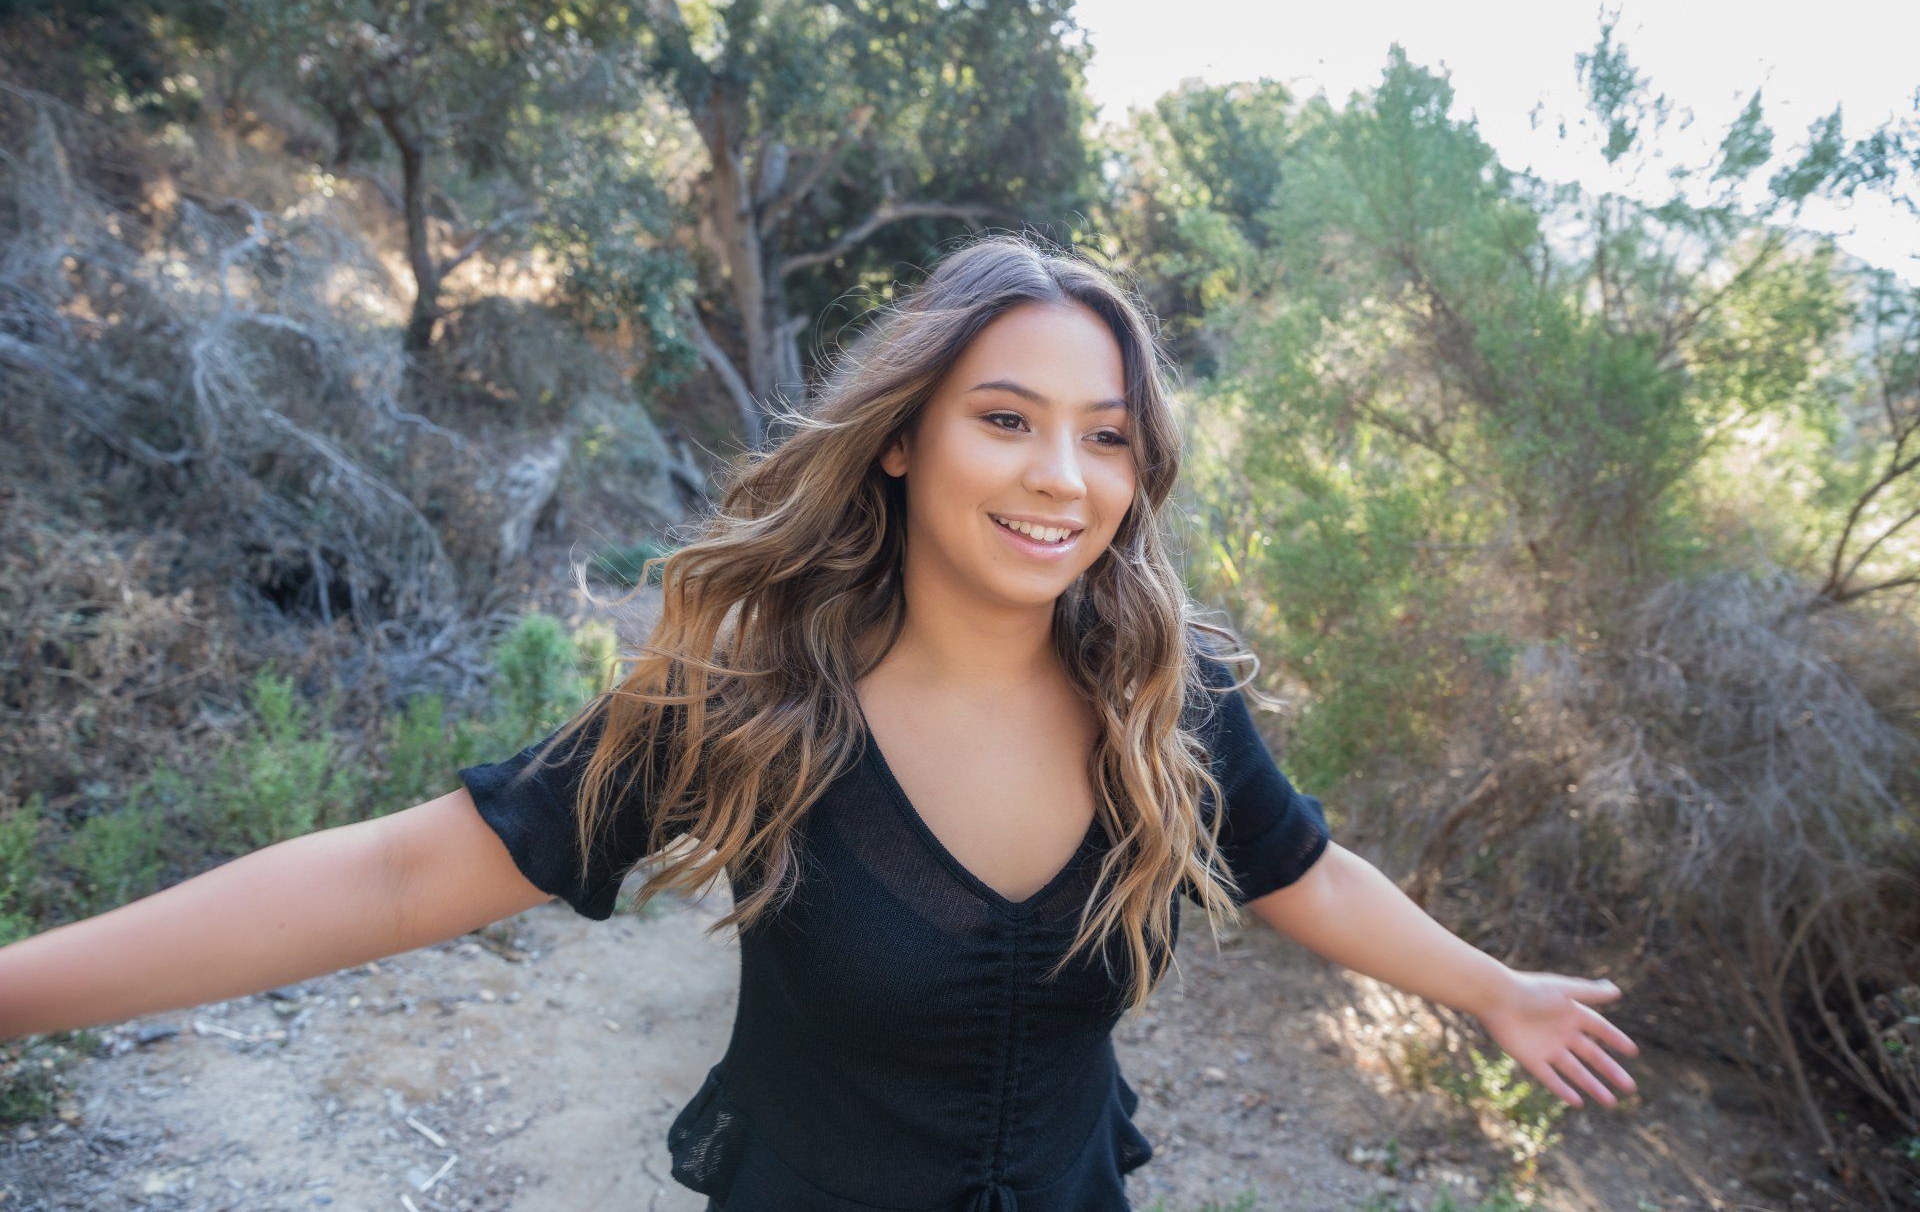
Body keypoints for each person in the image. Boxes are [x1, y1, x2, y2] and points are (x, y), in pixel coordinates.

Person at [0, 232, 1638, 1210]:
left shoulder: (1167, 693)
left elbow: (1298, 871)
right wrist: (17, 993)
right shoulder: (753, 700)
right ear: (910, 435)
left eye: (1109, 438)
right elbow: (403, 879)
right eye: (1008, 419)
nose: (1063, 477)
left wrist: (1491, 991)